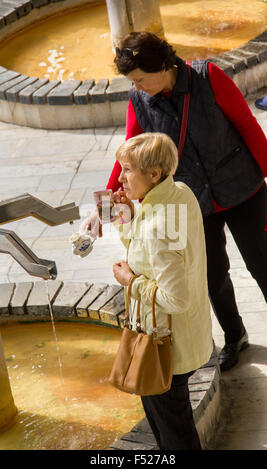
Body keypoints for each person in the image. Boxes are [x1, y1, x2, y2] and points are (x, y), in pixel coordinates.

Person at [84, 32, 267, 372]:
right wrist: (106, 204)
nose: (137, 87)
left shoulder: (209, 77)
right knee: (211, 277)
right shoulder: (139, 100)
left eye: (140, 79)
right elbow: (129, 153)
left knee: (263, 264)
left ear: (161, 66)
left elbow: (247, 126)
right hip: (195, 203)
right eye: (132, 82)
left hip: (243, 190)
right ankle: (235, 334)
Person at [111, 132, 213, 450]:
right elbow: (148, 250)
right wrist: (127, 217)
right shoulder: (179, 193)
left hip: (167, 348)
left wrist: (131, 282)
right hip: (192, 335)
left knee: (175, 436)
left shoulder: (158, 225)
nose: (120, 177)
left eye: (127, 169)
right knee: (170, 427)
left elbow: (175, 299)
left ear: (154, 174)